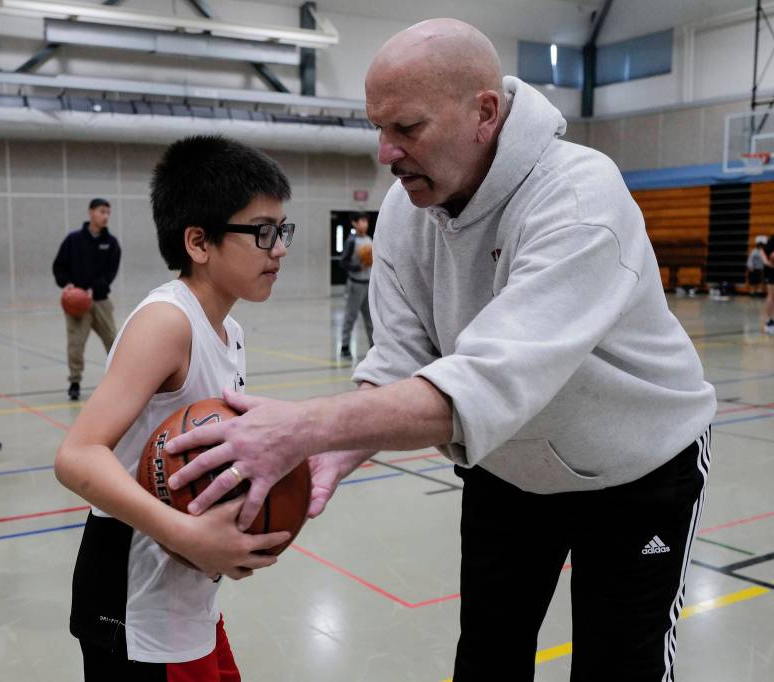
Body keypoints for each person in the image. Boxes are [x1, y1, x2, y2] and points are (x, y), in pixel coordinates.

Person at [162, 19, 717, 681]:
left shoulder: (578, 197)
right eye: (378, 128)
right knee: (485, 657)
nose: (385, 153)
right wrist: (335, 450)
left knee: (620, 667)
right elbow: (401, 357)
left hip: (637, 469)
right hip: (506, 468)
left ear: (484, 112)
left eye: (406, 128)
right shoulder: (405, 210)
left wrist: (304, 427)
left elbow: (488, 381)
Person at [54, 135, 294, 680]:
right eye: (262, 232)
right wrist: (187, 535)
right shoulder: (167, 323)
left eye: (282, 231)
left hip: (187, 594)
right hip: (133, 600)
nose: (278, 247)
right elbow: (77, 455)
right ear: (199, 242)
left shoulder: (228, 328)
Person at [52, 198, 121, 400]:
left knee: (114, 341)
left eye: (108, 212)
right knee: (75, 344)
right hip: (76, 304)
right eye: (102, 211)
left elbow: (111, 273)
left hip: (100, 301)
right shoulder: (73, 240)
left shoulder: (111, 243)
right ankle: (74, 382)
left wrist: (94, 288)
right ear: (91, 213)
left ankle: (119, 380)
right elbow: (59, 266)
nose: (105, 216)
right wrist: (67, 284)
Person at [339, 212, 374, 358]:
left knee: (371, 319)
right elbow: (343, 262)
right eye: (361, 221)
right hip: (356, 284)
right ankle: (345, 347)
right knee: (350, 316)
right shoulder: (351, 241)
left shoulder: (369, 239)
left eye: (366, 221)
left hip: (369, 284)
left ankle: (373, 347)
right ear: (354, 223)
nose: (364, 224)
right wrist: (358, 267)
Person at [759, 234, 774, 334]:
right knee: (771, 296)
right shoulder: (773, 240)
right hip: (771, 272)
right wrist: (766, 263)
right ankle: (769, 322)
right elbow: (763, 252)